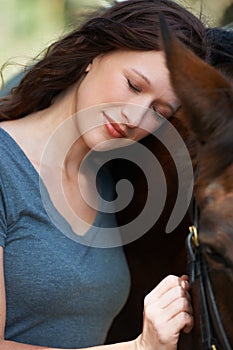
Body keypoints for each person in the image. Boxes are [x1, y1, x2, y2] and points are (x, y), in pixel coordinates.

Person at [0, 0, 208, 349]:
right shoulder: (6, 167)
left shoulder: (108, 182)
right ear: (93, 56)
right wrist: (139, 347)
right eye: (134, 85)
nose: (137, 117)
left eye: (160, 111)